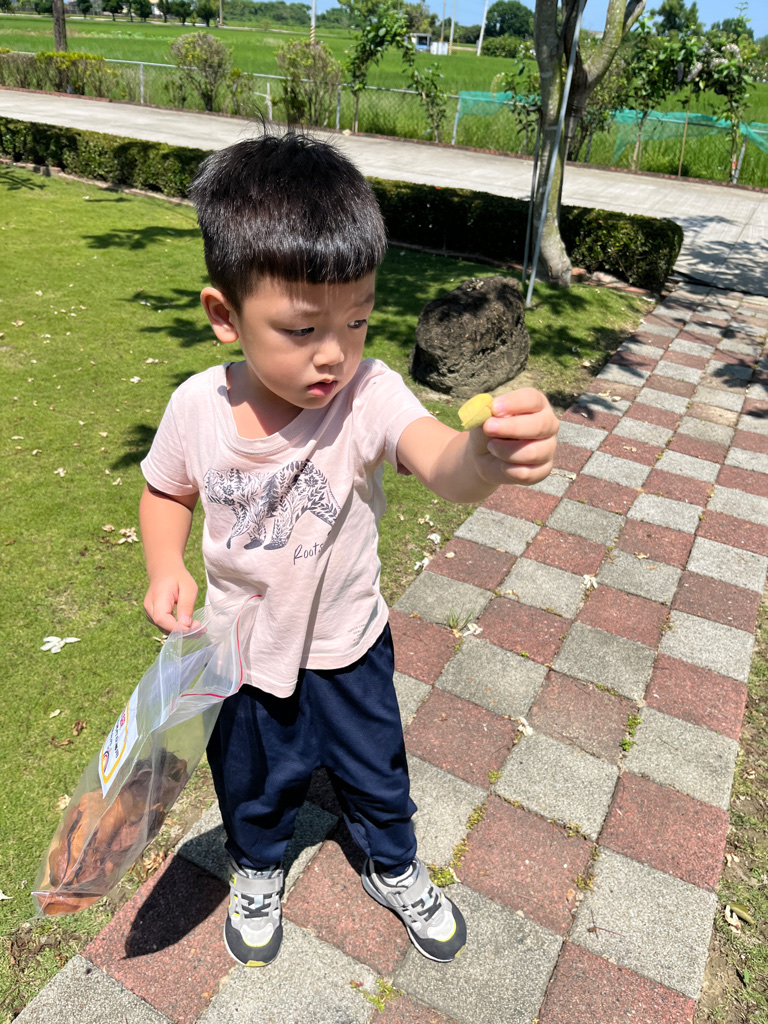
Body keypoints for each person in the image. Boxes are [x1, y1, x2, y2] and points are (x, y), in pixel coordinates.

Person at [139, 129, 559, 969]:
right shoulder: (195, 409)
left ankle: (393, 864)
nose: (335, 352)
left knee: (376, 772)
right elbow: (165, 492)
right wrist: (165, 566)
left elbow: (438, 457)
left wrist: (485, 457)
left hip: (348, 647)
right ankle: (257, 868)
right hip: (239, 653)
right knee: (252, 782)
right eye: (301, 328)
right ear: (225, 315)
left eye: (358, 319)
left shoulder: (367, 395)